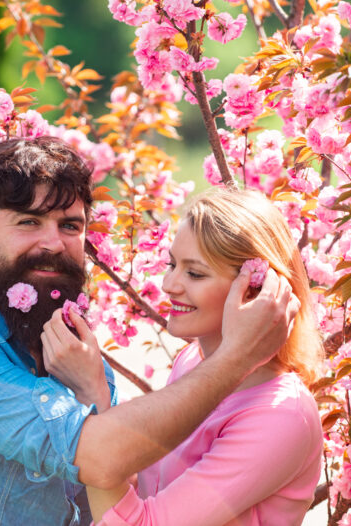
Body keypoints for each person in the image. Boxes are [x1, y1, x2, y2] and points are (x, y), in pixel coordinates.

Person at [0, 137, 300, 525]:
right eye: (28, 222)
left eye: (69, 225)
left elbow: (114, 496)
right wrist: (236, 357)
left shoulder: (70, 354)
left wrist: (95, 390)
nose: (53, 242)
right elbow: (99, 458)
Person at [43, 189, 324, 525]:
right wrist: (98, 394)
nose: (168, 284)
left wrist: (90, 395)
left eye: (195, 274)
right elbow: (140, 490)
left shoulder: (282, 417)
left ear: (257, 291)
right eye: (172, 264)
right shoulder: (192, 361)